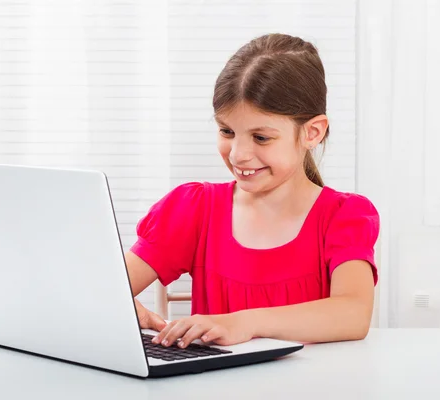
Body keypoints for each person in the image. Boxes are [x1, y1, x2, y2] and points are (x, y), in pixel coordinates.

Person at [124, 33, 380, 348]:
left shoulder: (342, 216)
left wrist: (245, 323)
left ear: (312, 132)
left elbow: (353, 314)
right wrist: (116, 305)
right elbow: (102, 288)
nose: (237, 154)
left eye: (260, 137)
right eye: (227, 131)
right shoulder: (194, 208)